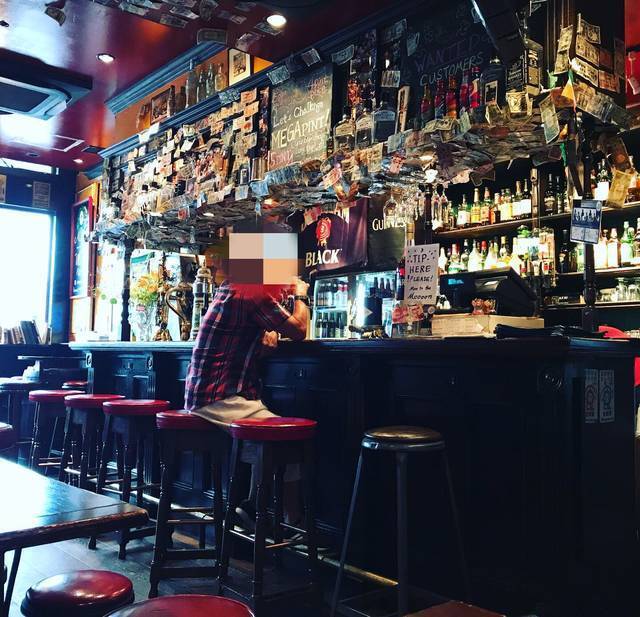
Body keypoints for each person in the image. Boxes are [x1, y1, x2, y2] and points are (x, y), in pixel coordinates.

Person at [184, 274, 311, 529]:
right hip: (218, 397)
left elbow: (252, 336)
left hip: (206, 395)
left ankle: (253, 508)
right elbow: (299, 330)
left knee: (265, 436)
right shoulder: (253, 292)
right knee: (284, 438)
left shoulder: (234, 287)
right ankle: (292, 523)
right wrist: (300, 293)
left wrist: (268, 330)